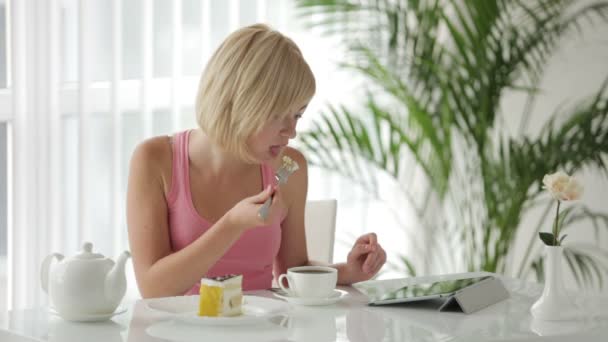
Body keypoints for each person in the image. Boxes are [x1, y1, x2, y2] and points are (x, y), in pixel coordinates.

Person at [127, 23, 387, 298]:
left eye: (297, 115)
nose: (292, 131)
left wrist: (348, 272)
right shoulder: (154, 161)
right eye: (279, 115)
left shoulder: (289, 168)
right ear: (242, 105)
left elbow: (292, 271)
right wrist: (232, 225)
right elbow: (153, 290)